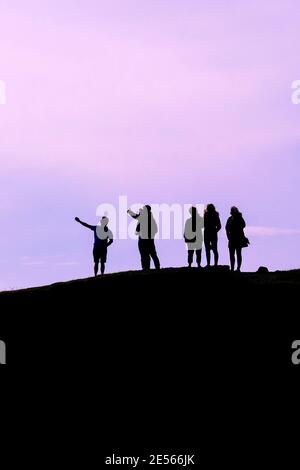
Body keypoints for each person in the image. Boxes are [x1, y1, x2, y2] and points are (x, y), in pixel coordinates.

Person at [127, 205, 160, 270]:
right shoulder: (146, 217)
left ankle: (151, 267)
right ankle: (147, 267)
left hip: (147, 239)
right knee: (145, 253)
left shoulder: (147, 217)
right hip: (143, 238)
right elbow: (135, 216)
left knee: (149, 253)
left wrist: (129, 211)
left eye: (144, 209)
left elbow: (135, 216)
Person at [225, 207, 249, 272]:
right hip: (232, 238)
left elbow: (243, 225)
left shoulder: (239, 218)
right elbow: (226, 228)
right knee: (232, 254)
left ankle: (238, 268)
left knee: (238, 253)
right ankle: (232, 268)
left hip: (238, 237)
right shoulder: (230, 219)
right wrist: (228, 236)